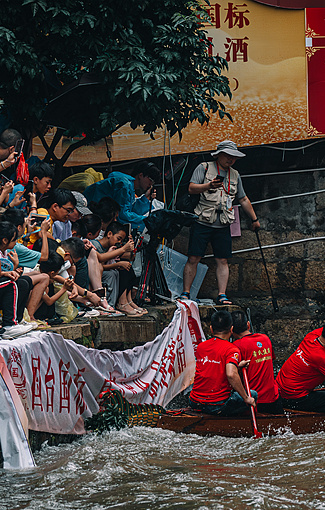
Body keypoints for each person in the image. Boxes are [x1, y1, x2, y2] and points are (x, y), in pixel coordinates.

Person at [180, 141, 261, 305]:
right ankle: (186, 293)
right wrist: (208, 185)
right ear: (218, 155)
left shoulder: (235, 175)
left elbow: (243, 198)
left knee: (222, 260)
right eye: (228, 156)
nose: (231, 159)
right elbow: (191, 188)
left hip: (223, 223)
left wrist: (254, 219)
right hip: (202, 220)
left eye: (234, 157)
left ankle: (222, 295)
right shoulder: (204, 167)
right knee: (194, 257)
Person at [189, 310, 256, 416]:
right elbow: (231, 374)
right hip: (216, 405)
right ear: (231, 329)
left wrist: (236, 366)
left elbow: (214, 368)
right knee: (253, 394)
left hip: (194, 401)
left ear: (211, 329)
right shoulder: (231, 349)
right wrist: (246, 398)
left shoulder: (201, 347)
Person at [82, 162, 160, 232]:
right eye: (150, 180)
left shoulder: (130, 188)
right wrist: (148, 220)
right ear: (140, 175)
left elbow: (130, 209)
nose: (151, 184)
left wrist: (145, 199)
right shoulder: (124, 185)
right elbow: (123, 215)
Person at [230, 310, 281, 414]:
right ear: (248, 325)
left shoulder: (235, 347)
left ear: (231, 330)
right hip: (274, 397)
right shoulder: (265, 339)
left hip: (254, 401)